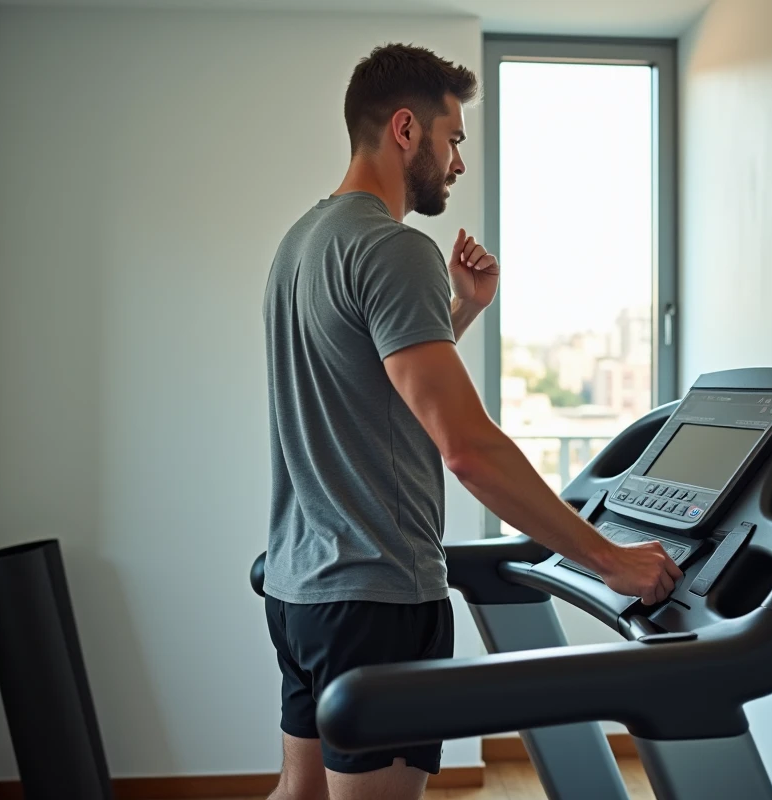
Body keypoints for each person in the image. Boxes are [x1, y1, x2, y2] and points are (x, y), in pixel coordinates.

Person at [261, 42, 683, 800]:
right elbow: (468, 449)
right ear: (405, 130)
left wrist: (462, 309)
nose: (458, 163)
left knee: (300, 794)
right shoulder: (394, 248)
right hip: (377, 597)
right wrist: (610, 561)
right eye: (452, 139)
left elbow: (371, 386)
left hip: (301, 592)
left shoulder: (302, 244)